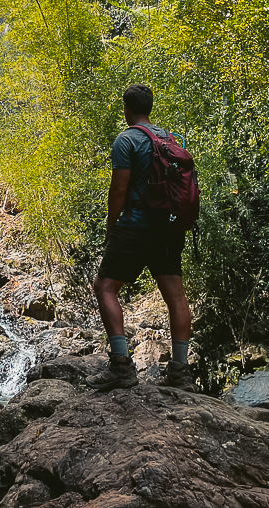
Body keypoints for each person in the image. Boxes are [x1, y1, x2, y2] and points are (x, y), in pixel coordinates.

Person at [85, 83, 197, 392]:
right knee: (175, 294)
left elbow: (119, 189)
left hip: (136, 225)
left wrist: (112, 225)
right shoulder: (170, 139)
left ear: (126, 109)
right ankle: (180, 370)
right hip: (169, 227)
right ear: (149, 107)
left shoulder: (127, 140)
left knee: (105, 287)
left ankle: (121, 366)